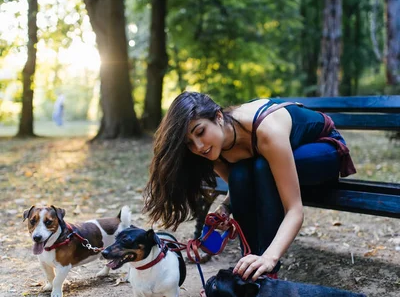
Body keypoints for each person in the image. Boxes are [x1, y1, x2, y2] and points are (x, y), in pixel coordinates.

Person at [144, 92, 356, 281]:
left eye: (200, 132)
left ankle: (266, 272)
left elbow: (295, 210)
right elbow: (238, 186)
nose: (198, 146)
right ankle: (250, 264)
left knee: (262, 166)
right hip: (279, 162)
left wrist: (269, 258)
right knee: (241, 172)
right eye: (189, 142)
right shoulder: (212, 150)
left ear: (218, 117)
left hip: (325, 150)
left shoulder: (266, 130)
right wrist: (225, 209)